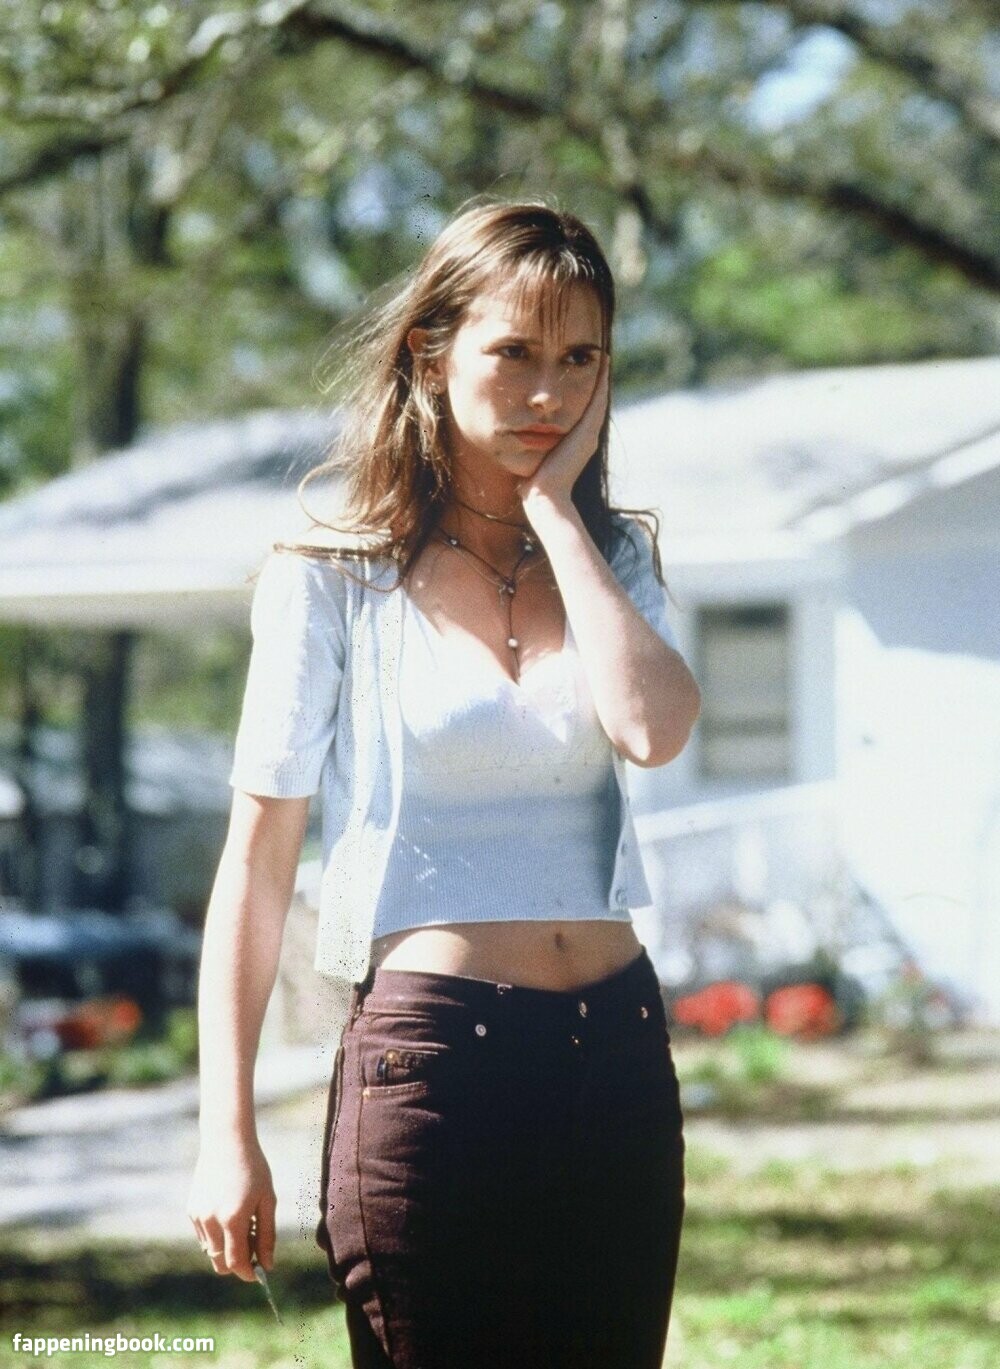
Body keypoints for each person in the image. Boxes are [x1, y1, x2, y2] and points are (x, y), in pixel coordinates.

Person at [187, 197, 701, 1369]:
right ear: (431, 353)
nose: (547, 393)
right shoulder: (332, 576)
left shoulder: (614, 558)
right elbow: (256, 870)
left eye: (580, 359)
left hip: (617, 1058)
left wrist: (554, 515)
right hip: (432, 1068)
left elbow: (652, 729)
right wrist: (226, 1130)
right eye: (513, 352)